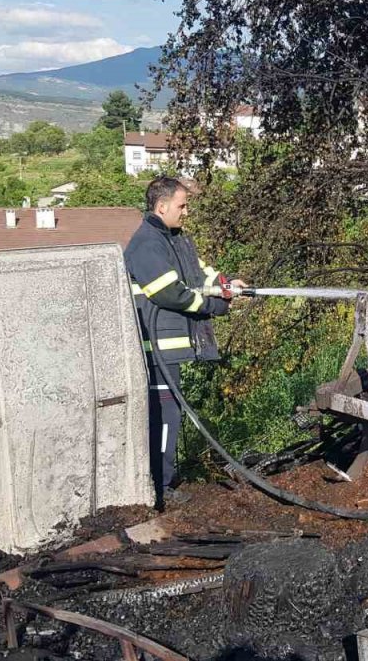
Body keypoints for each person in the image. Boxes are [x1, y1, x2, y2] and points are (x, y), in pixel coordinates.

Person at [125, 176, 246, 507]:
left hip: (169, 354)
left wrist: (226, 284)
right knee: (165, 419)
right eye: (182, 205)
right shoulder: (148, 244)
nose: (187, 211)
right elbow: (171, 293)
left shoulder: (175, 240)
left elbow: (198, 274)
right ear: (161, 206)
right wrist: (215, 305)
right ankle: (160, 491)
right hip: (156, 355)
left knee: (170, 417)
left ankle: (165, 485)